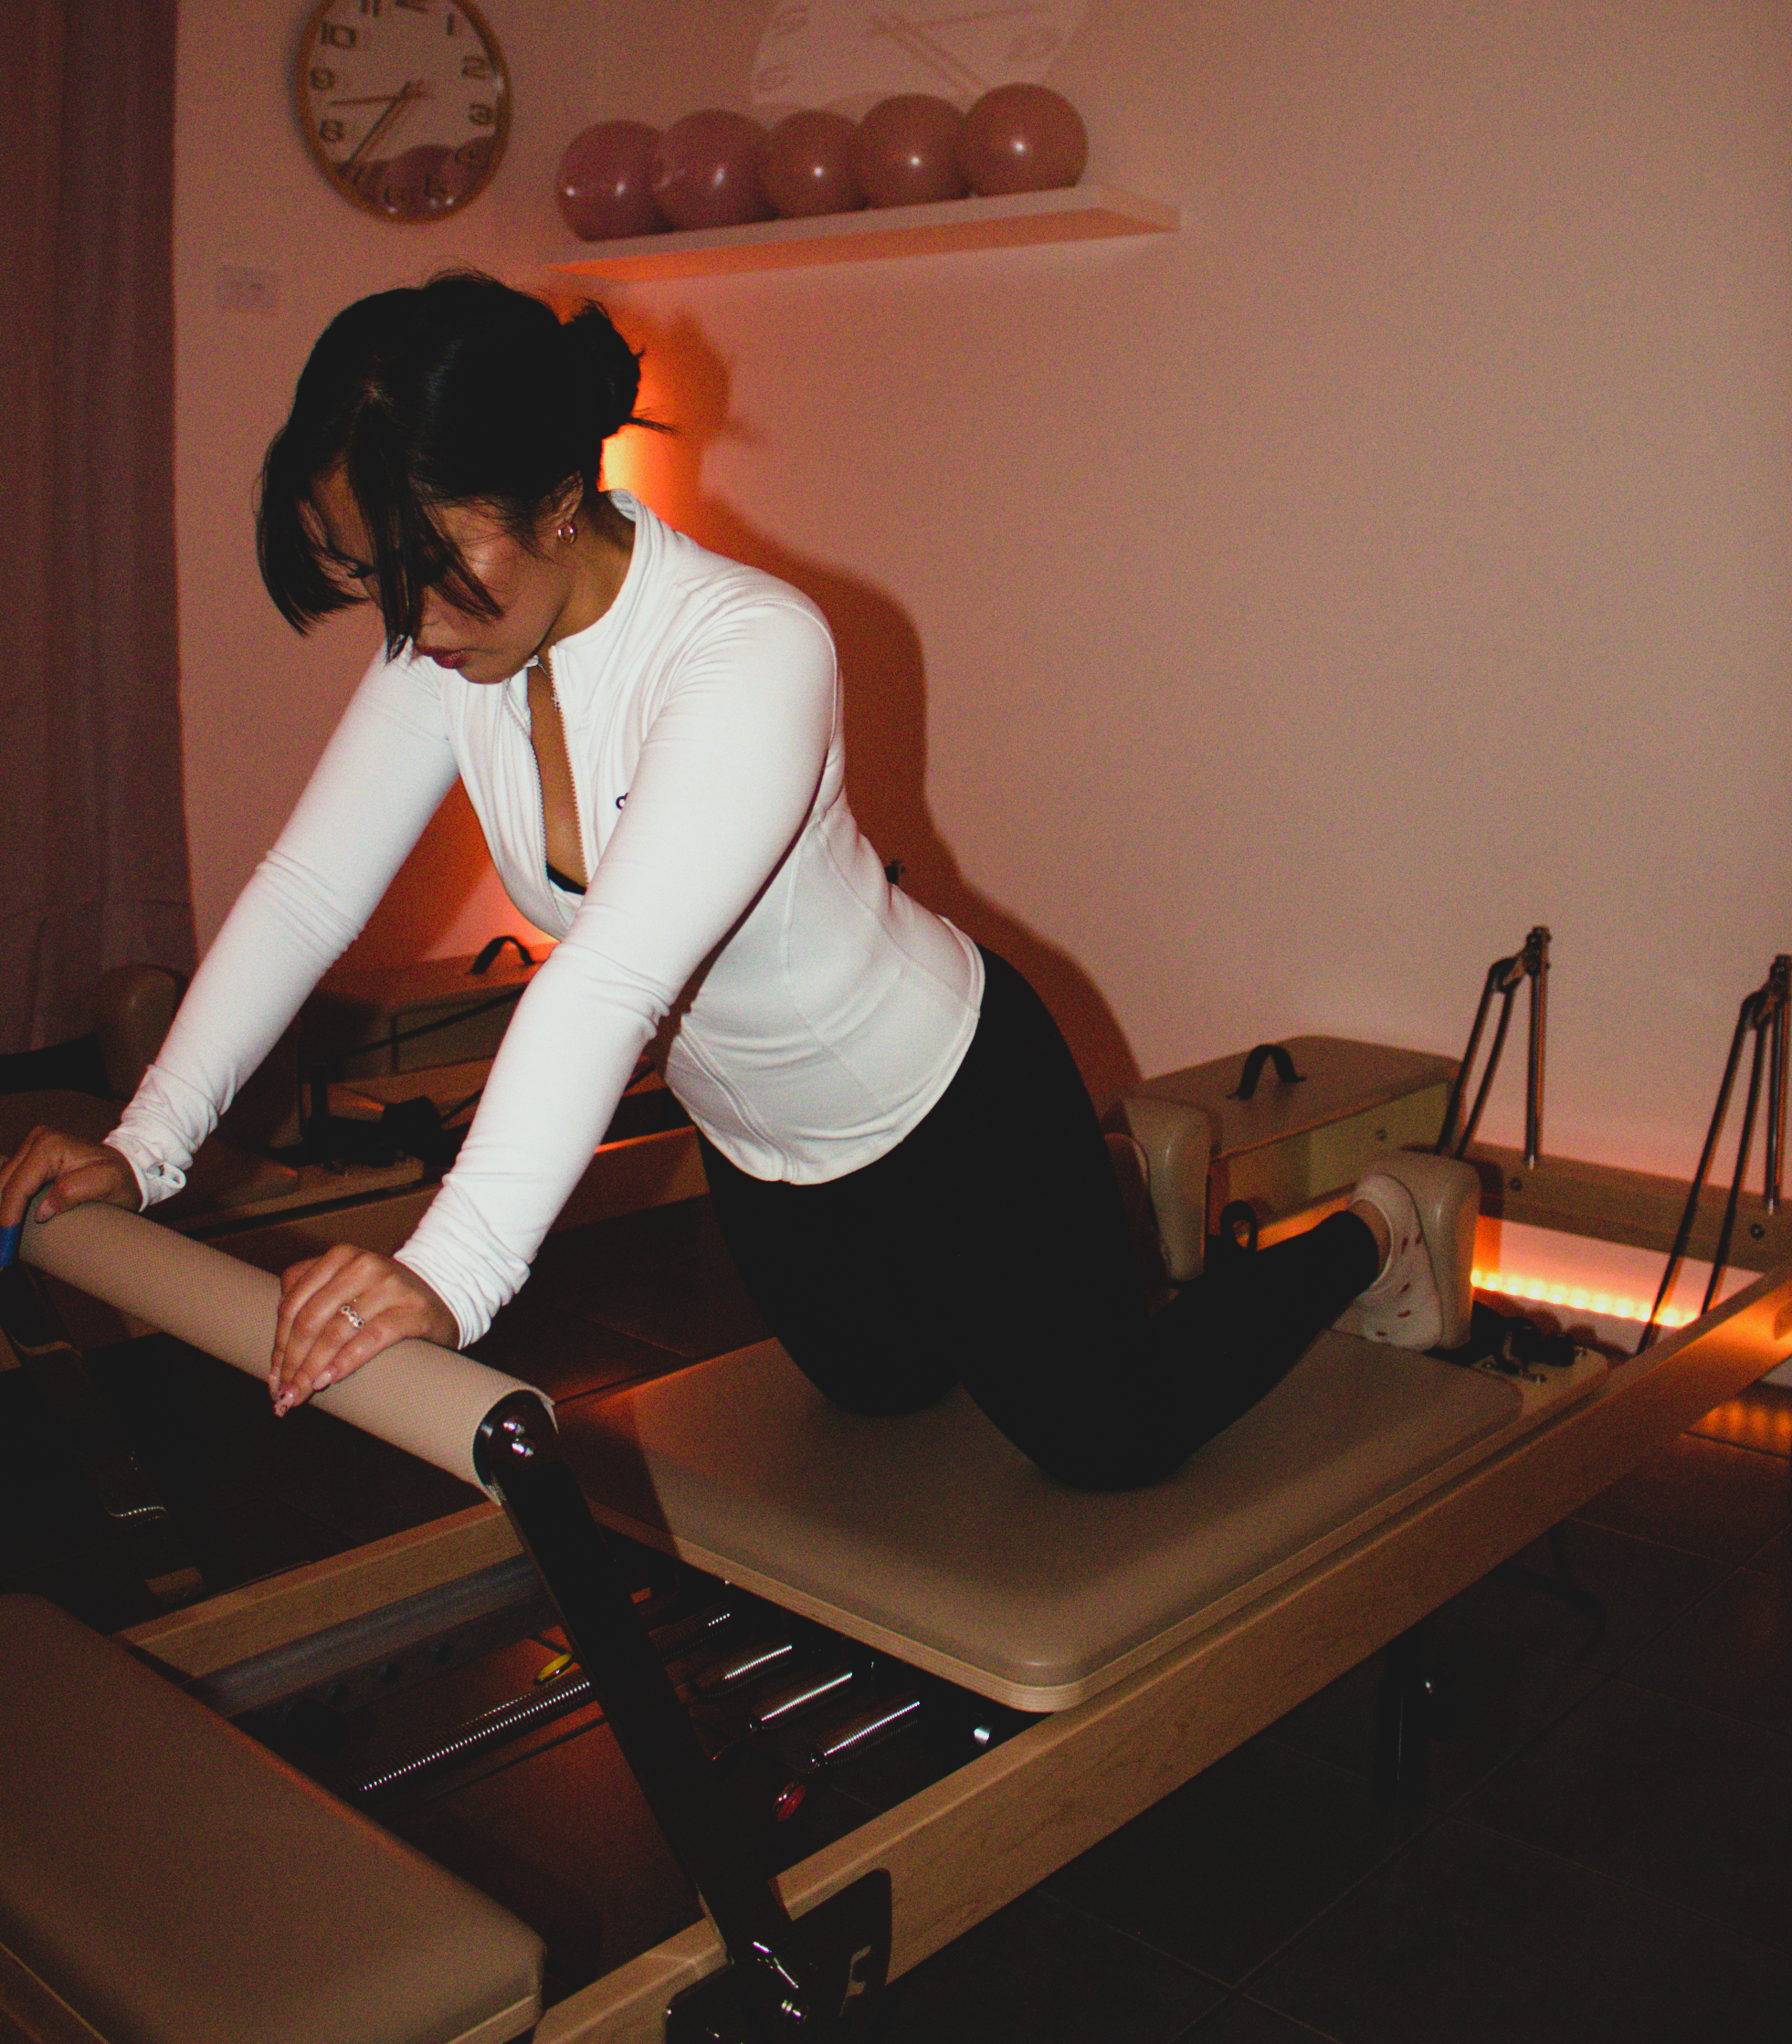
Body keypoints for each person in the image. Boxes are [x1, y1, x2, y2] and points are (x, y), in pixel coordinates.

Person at [0, 272, 1476, 1490]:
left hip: (949, 1096)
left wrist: (446, 1268)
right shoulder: (444, 646)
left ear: (562, 493)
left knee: (1107, 1435)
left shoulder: (751, 648)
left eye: (431, 565)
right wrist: (145, 1146)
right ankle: (1121, 1211)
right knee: (882, 1390)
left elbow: (613, 978)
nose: (403, 620)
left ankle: (1373, 1225)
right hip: (766, 1148)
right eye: (370, 575)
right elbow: (309, 892)